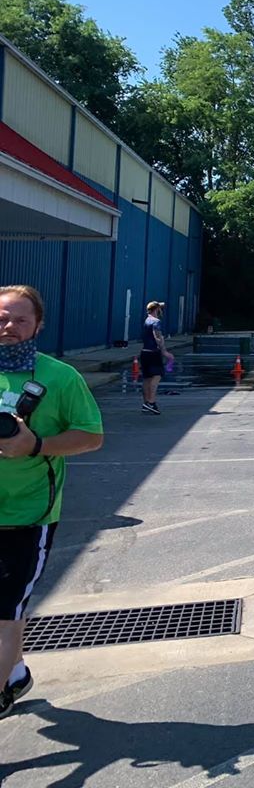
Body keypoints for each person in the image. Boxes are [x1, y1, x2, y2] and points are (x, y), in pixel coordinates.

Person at [0, 285, 104, 719]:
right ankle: (15, 673)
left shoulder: (60, 378)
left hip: (27, 517)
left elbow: (91, 436)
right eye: (2, 318)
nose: (9, 327)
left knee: (6, 614)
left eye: (21, 319)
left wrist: (36, 443)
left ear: (38, 325)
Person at [139, 301, 173, 415]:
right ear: (156, 309)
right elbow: (157, 337)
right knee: (156, 377)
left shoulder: (146, 320)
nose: (161, 311)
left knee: (147, 378)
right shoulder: (156, 322)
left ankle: (145, 404)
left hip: (144, 352)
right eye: (160, 308)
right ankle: (151, 403)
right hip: (153, 353)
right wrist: (164, 352)